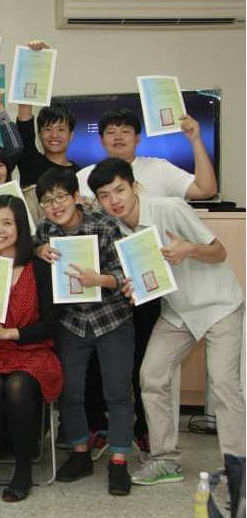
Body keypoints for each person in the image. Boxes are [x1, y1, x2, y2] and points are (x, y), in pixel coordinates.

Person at [87, 158, 246, 487]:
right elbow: (145, 278)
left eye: (119, 190)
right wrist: (132, 287)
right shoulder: (116, 229)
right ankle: (164, 459)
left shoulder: (170, 209)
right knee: (151, 375)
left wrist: (189, 249)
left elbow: (219, 252)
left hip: (219, 305)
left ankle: (238, 467)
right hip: (178, 312)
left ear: (135, 186)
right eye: (105, 195)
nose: (114, 200)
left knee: (224, 384)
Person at [34, 168, 133, 496]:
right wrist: (38, 251)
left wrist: (99, 279)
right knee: (69, 391)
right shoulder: (45, 229)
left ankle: (119, 460)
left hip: (111, 319)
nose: (55, 205)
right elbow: (31, 247)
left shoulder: (104, 226)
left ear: (76, 197)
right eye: (47, 200)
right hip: (71, 322)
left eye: (61, 197)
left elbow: (124, 274)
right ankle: (79, 453)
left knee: (117, 391)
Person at [0, 195, 62, 502]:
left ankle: (23, 470)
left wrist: (11, 333)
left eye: (7, 223)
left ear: (20, 227)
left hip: (34, 350)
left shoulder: (38, 268)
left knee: (18, 385)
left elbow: (52, 324)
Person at [76, 108, 217, 201]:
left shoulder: (160, 168)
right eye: (111, 132)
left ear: (137, 138)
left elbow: (206, 190)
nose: (118, 137)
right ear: (101, 140)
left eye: (125, 131)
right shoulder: (83, 176)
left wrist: (195, 139)